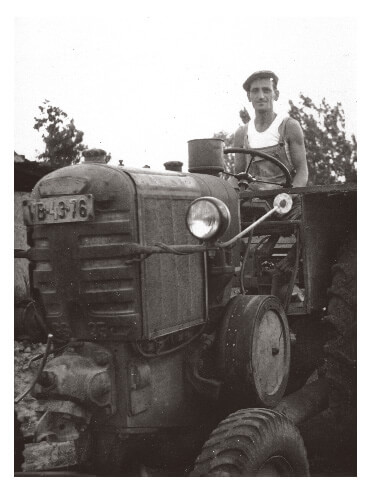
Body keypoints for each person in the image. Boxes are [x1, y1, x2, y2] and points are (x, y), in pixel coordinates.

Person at [234, 70, 308, 293]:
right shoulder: (242, 134)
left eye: (266, 90)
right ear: (249, 97)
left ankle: (288, 265)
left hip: (284, 201)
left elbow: (302, 170)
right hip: (255, 202)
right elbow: (239, 177)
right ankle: (240, 279)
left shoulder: (288, 126)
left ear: (275, 94)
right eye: (255, 91)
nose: (261, 95)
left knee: (310, 221)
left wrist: (289, 195)